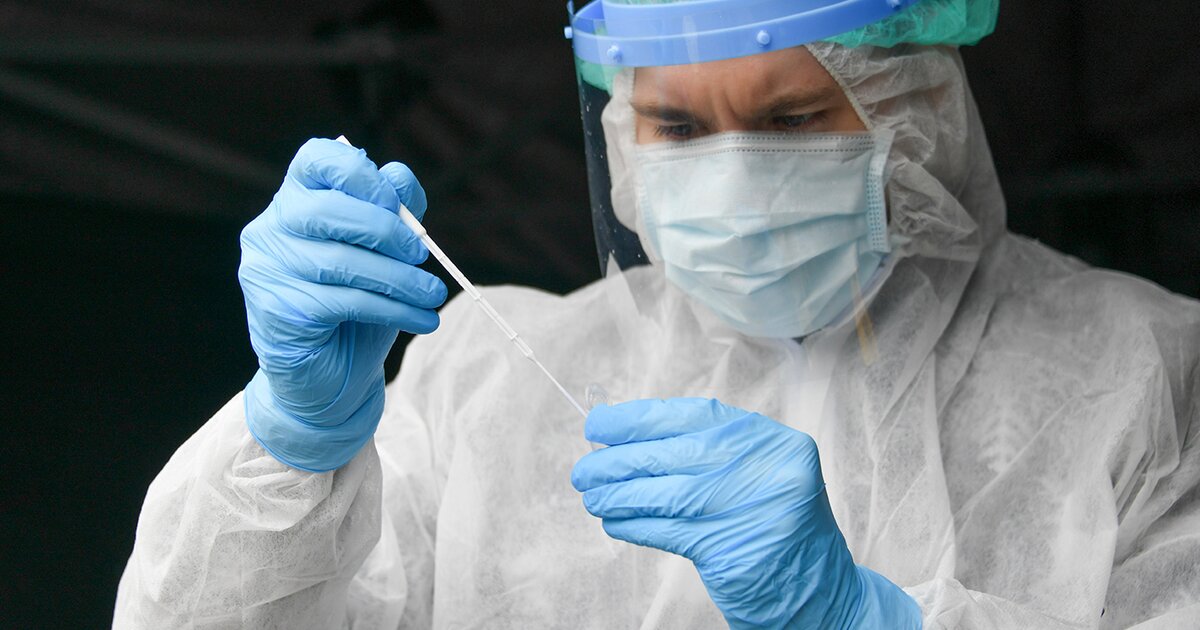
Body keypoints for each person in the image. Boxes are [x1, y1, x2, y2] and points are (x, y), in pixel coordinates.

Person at [114, 0, 1200, 627]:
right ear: (621, 132)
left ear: (912, 104)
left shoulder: (1141, 373)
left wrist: (854, 616)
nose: (732, 176)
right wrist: (294, 446)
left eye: (790, 118)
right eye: (678, 129)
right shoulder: (490, 389)